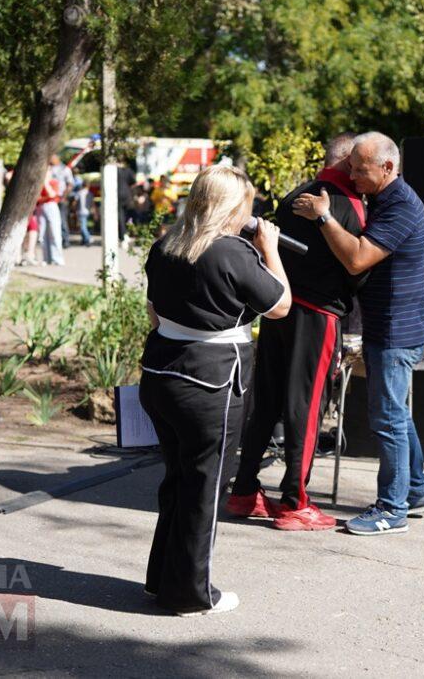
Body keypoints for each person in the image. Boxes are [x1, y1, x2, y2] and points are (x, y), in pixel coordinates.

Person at [139, 165, 291, 616]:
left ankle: (161, 580)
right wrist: (271, 249)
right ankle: (189, 593)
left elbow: (153, 310)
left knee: (178, 480)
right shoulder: (232, 253)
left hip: (162, 374)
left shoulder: (166, 244)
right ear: (230, 206)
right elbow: (280, 304)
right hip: (211, 383)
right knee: (204, 488)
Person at [292, 131, 424, 536]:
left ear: (388, 167)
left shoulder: (401, 206)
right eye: (350, 166)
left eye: (359, 168)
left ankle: (392, 508)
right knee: (397, 415)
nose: (351, 176)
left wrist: (323, 217)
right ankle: (416, 490)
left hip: (394, 330)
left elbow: (357, 259)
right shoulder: (387, 197)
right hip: (391, 325)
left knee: (387, 419)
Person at [230, 133, 366, 530]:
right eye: (357, 164)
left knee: (267, 402)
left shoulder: (295, 195)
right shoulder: (349, 203)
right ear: (347, 161)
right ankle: (294, 502)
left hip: (278, 309)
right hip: (319, 314)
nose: (360, 172)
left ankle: (243, 491)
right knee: (306, 409)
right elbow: (358, 267)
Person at [36, 167, 65, 266]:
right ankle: (46, 258)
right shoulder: (39, 184)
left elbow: (52, 194)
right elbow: (37, 198)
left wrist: (46, 183)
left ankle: (58, 259)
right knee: (43, 234)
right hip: (41, 207)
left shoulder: (53, 182)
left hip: (51, 206)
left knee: (55, 233)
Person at [49, 154, 73, 249]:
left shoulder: (65, 169)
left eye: (52, 158)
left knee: (62, 220)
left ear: (57, 159)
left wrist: (64, 196)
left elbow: (70, 184)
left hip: (61, 198)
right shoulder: (49, 168)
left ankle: (65, 240)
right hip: (51, 199)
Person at [74, 176, 94, 246]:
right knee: (84, 226)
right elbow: (92, 204)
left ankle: (88, 238)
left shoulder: (80, 193)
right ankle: (85, 240)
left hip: (83, 212)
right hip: (85, 211)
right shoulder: (89, 193)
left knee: (83, 227)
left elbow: (75, 203)